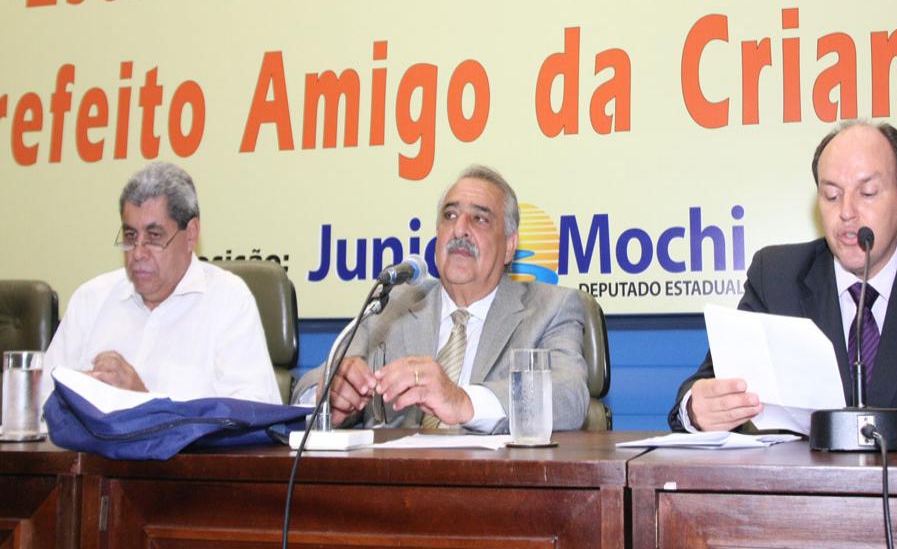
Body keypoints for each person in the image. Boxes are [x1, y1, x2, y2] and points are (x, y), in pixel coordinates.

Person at [668, 121, 897, 442]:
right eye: (832, 195)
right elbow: (707, 384)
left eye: (867, 193)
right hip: (804, 492)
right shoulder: (776, 277)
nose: (847, 212)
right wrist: (696, 410)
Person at [293, 165, 589, 432]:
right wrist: (326, 398)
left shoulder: (551, 308)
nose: (460, 229)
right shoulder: (392, 307)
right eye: (450, 216)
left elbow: (569, 397)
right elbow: (308, 387)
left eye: (479, 219)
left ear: (510, 246)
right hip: (396, 474)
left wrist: (462, 401)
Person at [43, 162, 280, 404]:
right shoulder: (91, 300)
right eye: (130, 236)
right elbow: (42, 401)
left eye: (154, 236)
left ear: (191, 235)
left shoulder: (229, 301)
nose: (138, 253)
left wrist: (142, 401)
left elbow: (252, 412)